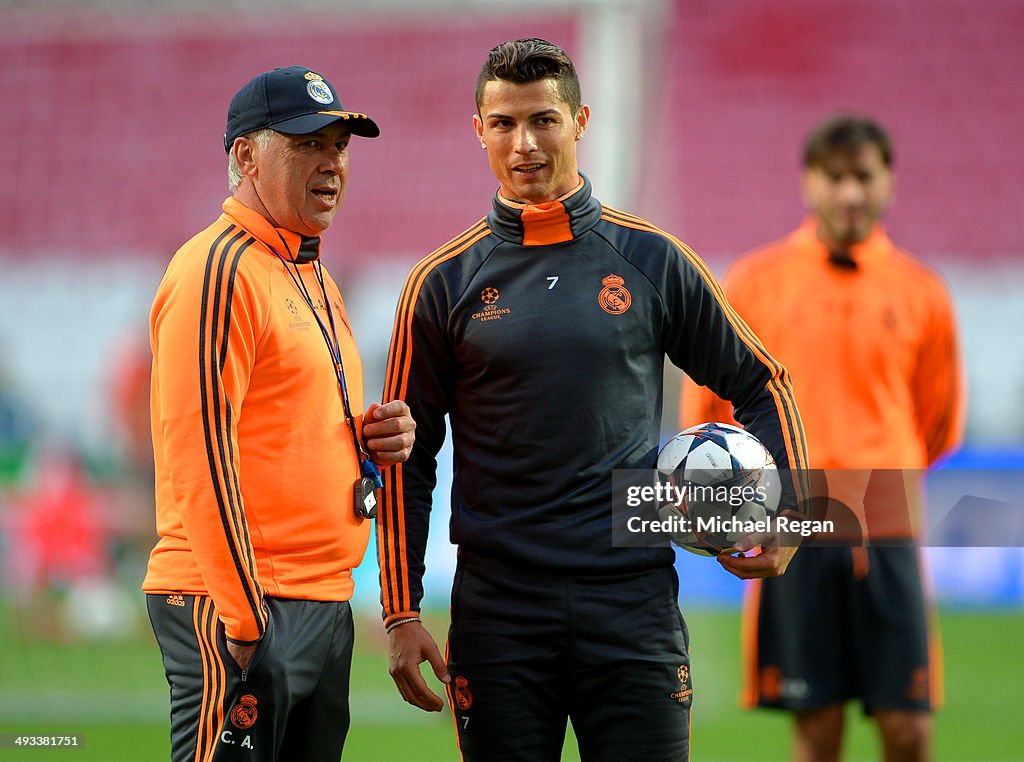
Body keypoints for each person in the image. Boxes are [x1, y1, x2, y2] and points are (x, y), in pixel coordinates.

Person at [377, 38, 808, 761]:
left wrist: (787, 515)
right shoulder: (441, 282)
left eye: (543, 120)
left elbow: (764, 382)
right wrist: (399, 610)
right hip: (498, 614)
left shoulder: (651, 260)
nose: (525, 143)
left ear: (580, 120)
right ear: (477, 130)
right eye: (505, 123)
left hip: (632, 603)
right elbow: (407, 459)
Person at [143, 65, 415, 762]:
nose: (330, 163)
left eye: (339, 146)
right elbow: (200, 453)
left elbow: (284, 424)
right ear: (244, 157)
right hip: (243, 599)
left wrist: (371, 437)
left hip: (320, 601)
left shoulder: (309, 270)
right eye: (305, 145)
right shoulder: (219, 269)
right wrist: (243, 619)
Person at [682, 115, 965, 762]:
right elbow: (712, 412)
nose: (849, 194)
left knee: (908, 725)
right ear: (808, 183)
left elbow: (938, 421)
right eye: (834, 178)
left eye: (863, 177)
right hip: (793, 519)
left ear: (888, 182)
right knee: (816, 726)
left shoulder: (923, 291)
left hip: (886, 520)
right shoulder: (755, 281)